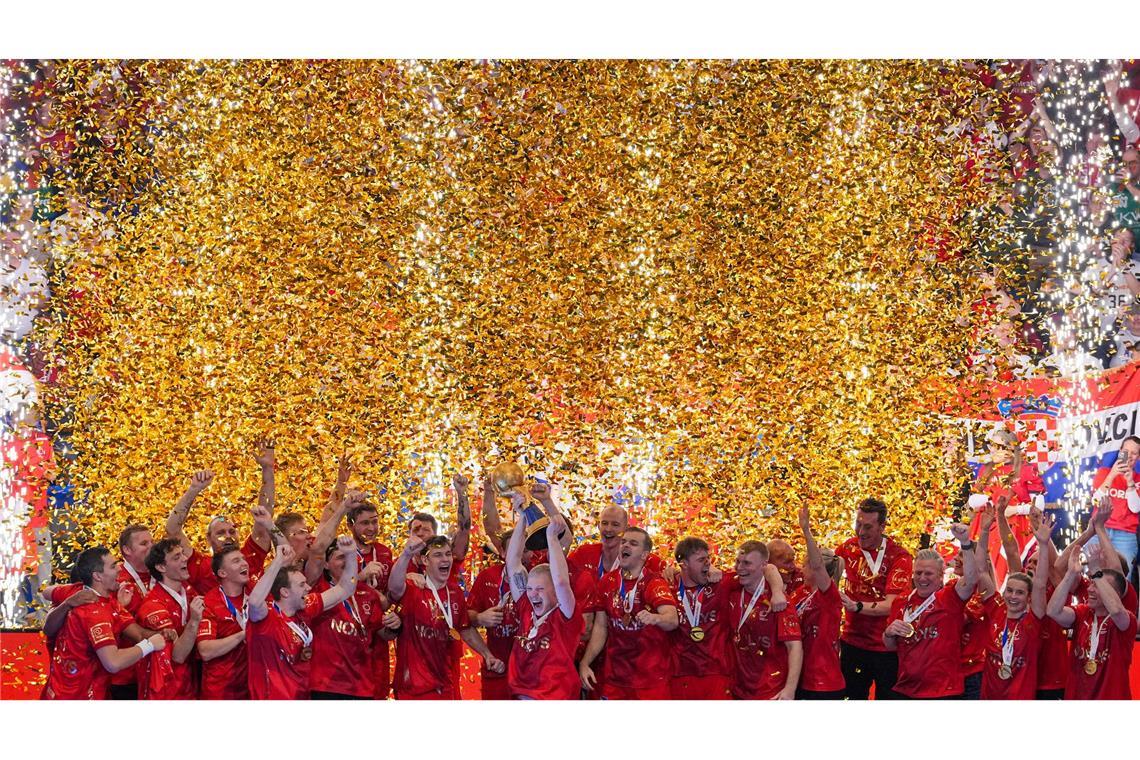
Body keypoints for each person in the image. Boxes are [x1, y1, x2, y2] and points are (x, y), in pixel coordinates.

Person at [42, 547, 166, 700]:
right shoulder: (94, 611)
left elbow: (138, 633)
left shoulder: (107, 602)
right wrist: (149, 645)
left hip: (67, 691)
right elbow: (113, 662)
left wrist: (163, 634)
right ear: (97, 576)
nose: (119, 569)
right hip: (78, 697)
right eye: (113, 566)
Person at [388, 534, 504, 699]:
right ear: (425, 561)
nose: (445, 559)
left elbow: (464, 629)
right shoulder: (412, 587)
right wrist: (406, 554)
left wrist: (487, 655)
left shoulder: (455, 592)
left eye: (448, 554)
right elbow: (394, 587)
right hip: (414, 688)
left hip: (446, 685)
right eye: (437, 555)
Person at [245, 537, 359, 699]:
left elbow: (346, 588)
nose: (308, 588)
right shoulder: (266, 618)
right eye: (301, 585)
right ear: (285, 592)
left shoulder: (306, 607)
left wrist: (351, 555)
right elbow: (255, 602)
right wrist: (278, 562)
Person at [579, 527, 678, 700]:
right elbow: (601, 628)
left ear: (644, 554)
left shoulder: (653, 583)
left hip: (650, 680)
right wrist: (585, 662)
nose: (625, 546)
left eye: (633, 543)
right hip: (615, 678)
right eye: (623, 542)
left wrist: (656, 618)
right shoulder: (607, 582)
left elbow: (672, 620)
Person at [883, 523, 978, 700]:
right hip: (906, 689)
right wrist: (888, 633)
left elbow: (971, 579)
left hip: (943, 691)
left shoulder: (950, 596)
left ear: (941, 575)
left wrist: (965, 542)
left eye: (928, 574)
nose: (922, 578)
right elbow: (891, 645)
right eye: (918, 573)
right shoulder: (901, 601)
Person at [505, 493, 582, 700]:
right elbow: (512, 563)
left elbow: (561, 581)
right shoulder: (527, 609)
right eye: (529, 589)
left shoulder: (565, 615)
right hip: (520, 696)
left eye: (539, 589)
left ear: (555, 593)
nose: (532, 595)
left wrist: (551, 538)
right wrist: (523, 517)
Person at [835, 497, 913, 699]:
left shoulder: (899, 557)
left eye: (868, 527)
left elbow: (891, 605)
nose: (861, 532)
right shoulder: (847, 548)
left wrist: (856, 606)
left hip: (885, 647)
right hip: (852, 642)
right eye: (858, 524)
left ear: (882, 526)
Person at [164, 456, 274, 595]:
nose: (228, 536)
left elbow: (265, 516)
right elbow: (172, 530)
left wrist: (268, 468)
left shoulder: (250, 556)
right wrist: (193, 490)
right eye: (220, 533)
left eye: (231, 531)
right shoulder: (200, 565)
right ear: (208, 539)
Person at [309, 537, 399, 699]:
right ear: (326, 565)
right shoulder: (316, 591)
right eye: (340, 557)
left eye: (349, 556)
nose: (347, 561)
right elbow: (316, 550)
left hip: (361, 685)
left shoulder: (369, 594)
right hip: (325, 685)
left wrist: (395, 625)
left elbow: (383, 634)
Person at [1047, 542, 1138, 699]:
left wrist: (1096, 569)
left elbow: (1116, 610)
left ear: (1114, 592)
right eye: (1091, 583)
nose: (1089, 589)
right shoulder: (1083, 613)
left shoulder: (1125, 619)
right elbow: (1053, 611)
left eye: (1096, 585)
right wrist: (1070, 574)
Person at [980, 514, 1051, 699]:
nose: (1012, 596)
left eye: (1019, 593)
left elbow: (1041, 583)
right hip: (989, 697)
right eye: (1009, 591)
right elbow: (981, 571)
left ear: (1029, 597)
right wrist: (984, 531)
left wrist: (1044, 545)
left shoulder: (1033, 618)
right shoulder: (995, 609)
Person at [727, 540, 801, 699]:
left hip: (768, 688)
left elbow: (794, 647)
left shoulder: (779, 601)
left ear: (764, 566)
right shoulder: (732, 589)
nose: (739, 568)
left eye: (747, 563)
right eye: (738, 562)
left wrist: (790, 689)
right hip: (736, 687)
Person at [136, 538, 205, 699]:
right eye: (176, 557)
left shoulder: (189, 593)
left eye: (182, 554)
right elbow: (178, 655)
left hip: (190, 685)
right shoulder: (152, 606)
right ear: (161, 567)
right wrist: (194, 621)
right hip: (164, 691)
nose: (184, 558)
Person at [668, 536, 733, 699]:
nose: (707, 563)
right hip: (679, 674)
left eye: (708, 559)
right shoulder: (667, 587)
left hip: (715, 672)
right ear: (684, 564)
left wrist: (776, 590)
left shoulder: (720, 583)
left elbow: (764, 568)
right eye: (701, 559)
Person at [794, 505, 845, 699]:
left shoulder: (829, 596)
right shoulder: (802, 593)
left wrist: (806, 532)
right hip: (801, 674)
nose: (801, 569)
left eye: (804, 564)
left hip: (823, 681)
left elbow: (816, 566)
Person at [196, 542, 255, 700]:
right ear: (222, 573)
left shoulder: (254, 591)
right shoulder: (210, 602)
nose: (244, 563)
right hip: (221, 691)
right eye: (236, 561)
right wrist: (244, 634)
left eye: (243, 559)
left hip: (253, 688)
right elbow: (205, 651)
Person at [109, 523, 155, 699]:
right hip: (125, 674)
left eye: (152, 542)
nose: (151, 547)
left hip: (155, 670)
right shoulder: (114, 579)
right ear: (127, 550)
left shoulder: (161, 574)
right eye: (144, 544)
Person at [1089, 436, 1140, 570]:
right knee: (1091, 573)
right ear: (1120, 451)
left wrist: (1130, 482)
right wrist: (1112, 475)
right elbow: (1095, 501)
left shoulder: (1138, 480)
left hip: (1125, 536)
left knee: (1121, 577)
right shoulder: (1103, 473)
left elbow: (1135, 508)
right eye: (1126, 451)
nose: (1129, 456)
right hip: (1098, 530)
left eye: (1134, 453)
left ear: (1138, 457)